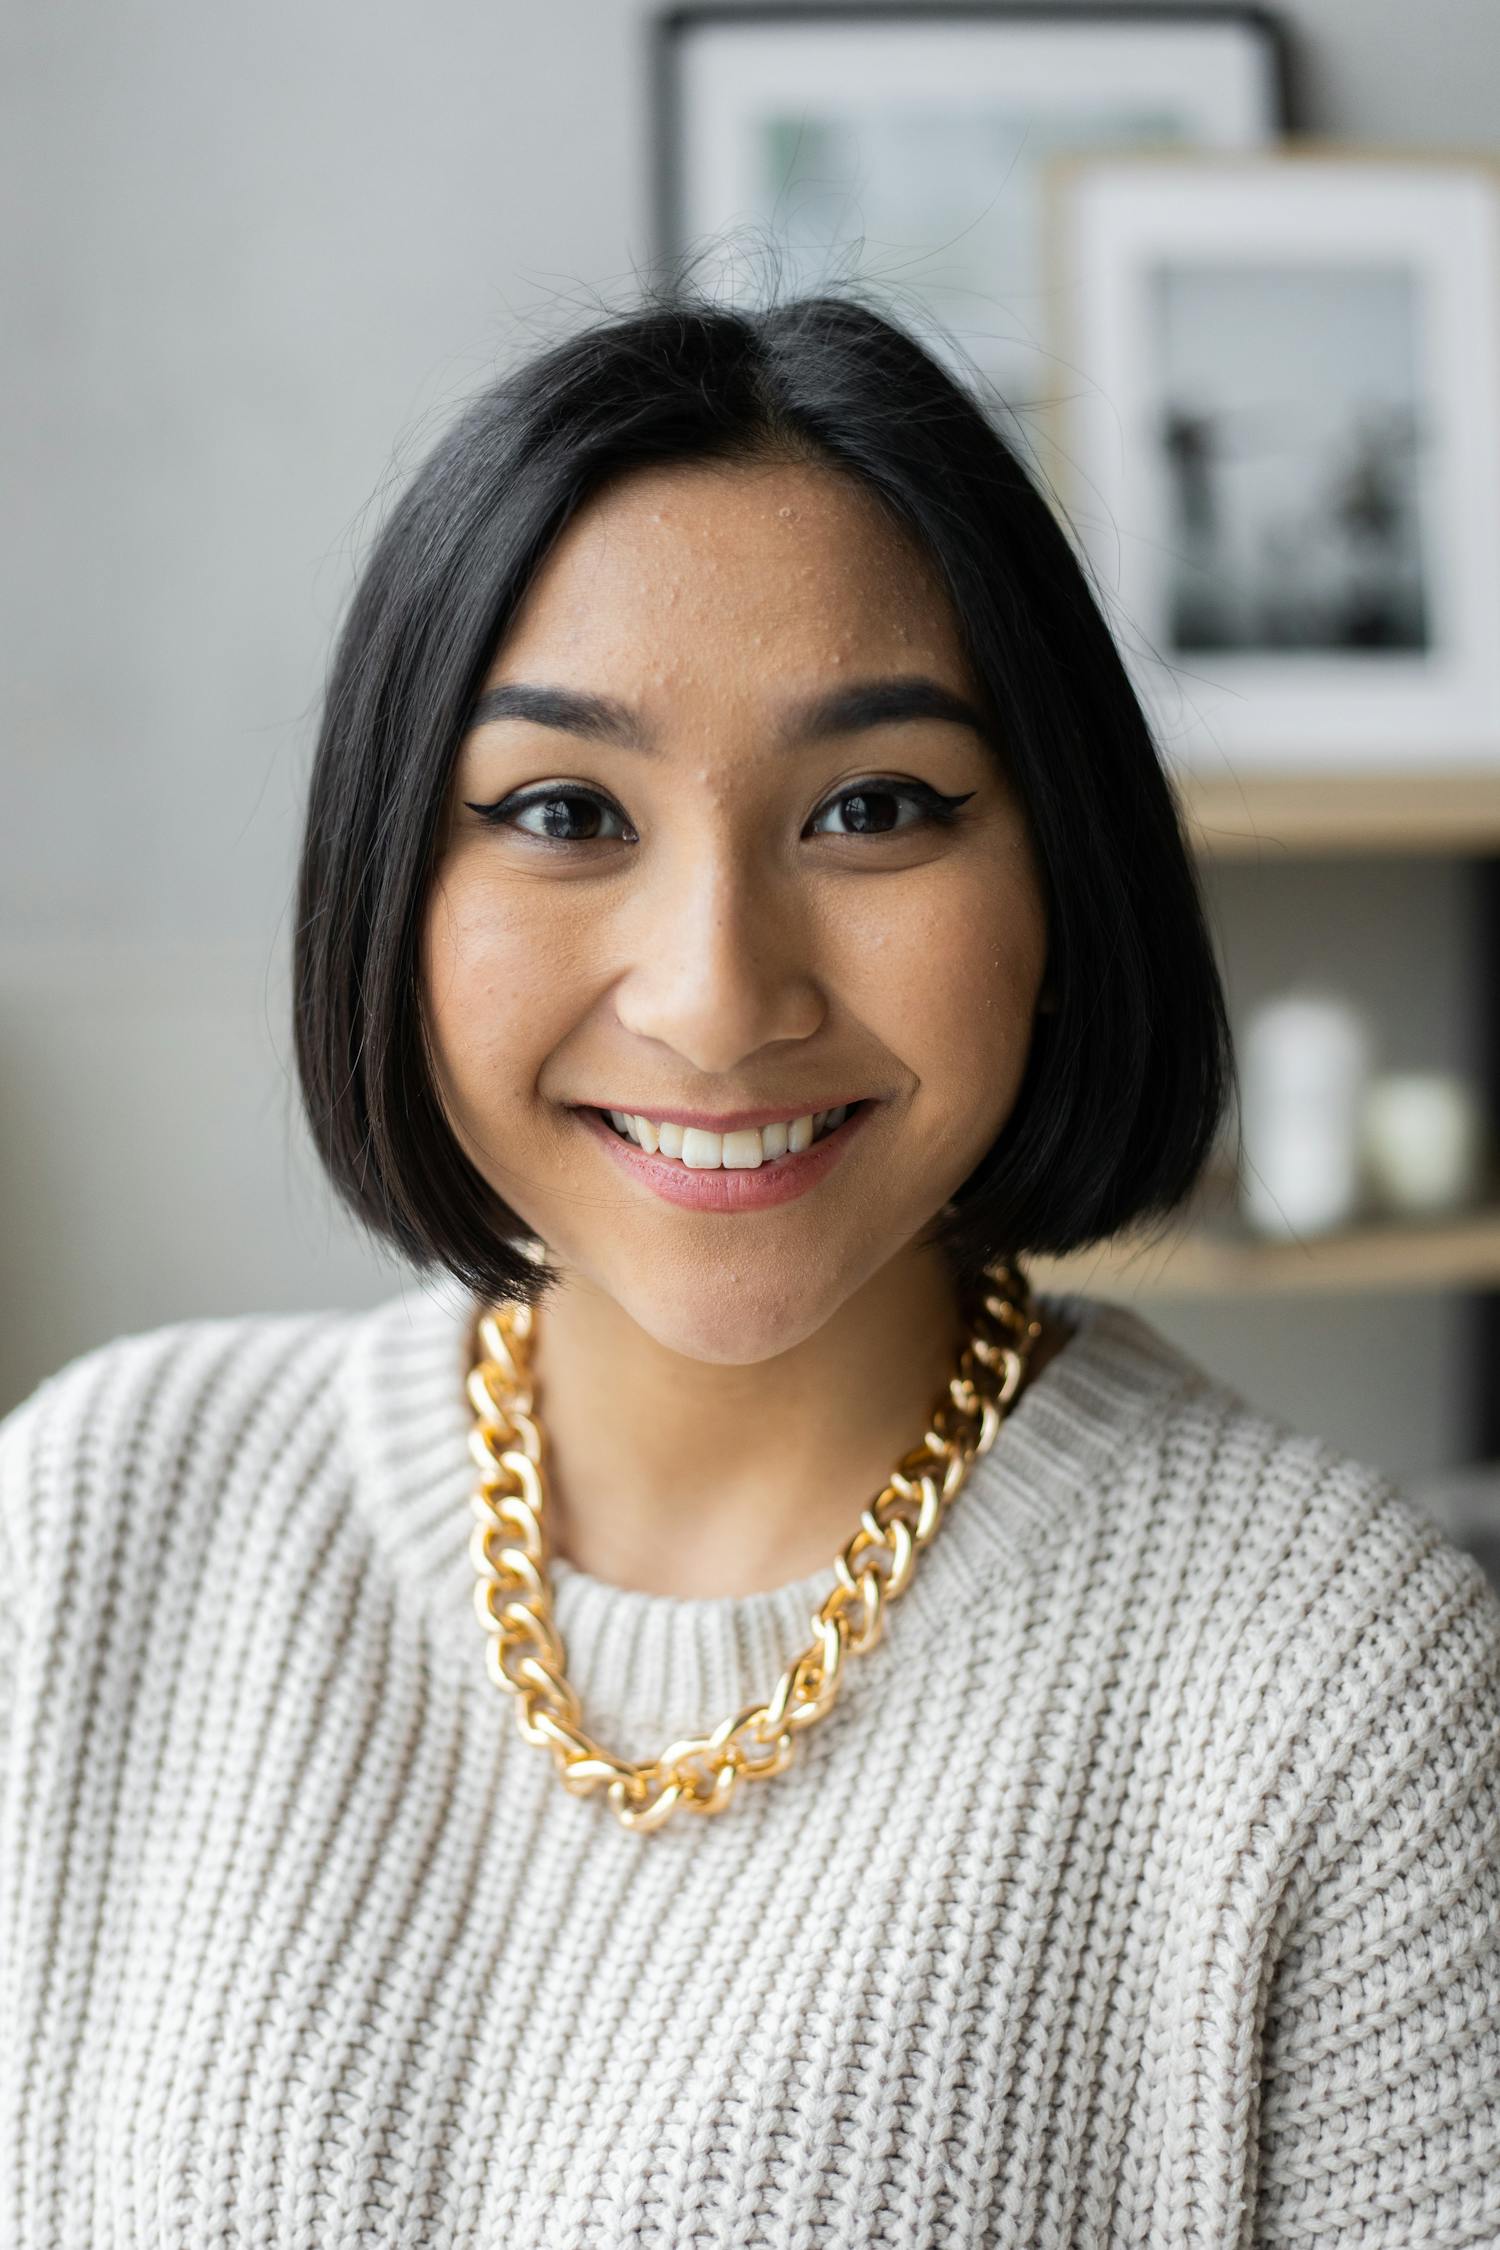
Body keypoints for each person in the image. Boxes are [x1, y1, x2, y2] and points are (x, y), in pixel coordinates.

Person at [2, 281, 1497, 2250]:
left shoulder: (1338, 1690)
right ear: (393, 886)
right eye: (563, 812)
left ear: (1060, 878)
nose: (717, 999)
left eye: (873, 809)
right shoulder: (103, 1516)